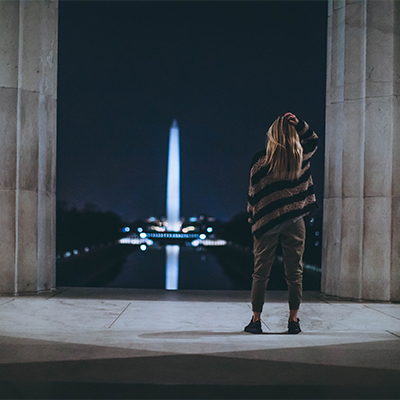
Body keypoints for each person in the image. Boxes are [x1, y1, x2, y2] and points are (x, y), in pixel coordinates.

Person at [244, 112, 318, 334]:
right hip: (295, 221)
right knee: (295, 272)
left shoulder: (260, 160)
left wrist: (252, 218)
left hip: (266, 223)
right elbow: (314, 139)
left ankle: (256, 320)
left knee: (260, 273)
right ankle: (293, 321)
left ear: (272, 135)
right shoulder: (300, 157)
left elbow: (253, 194)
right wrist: (301, 124)